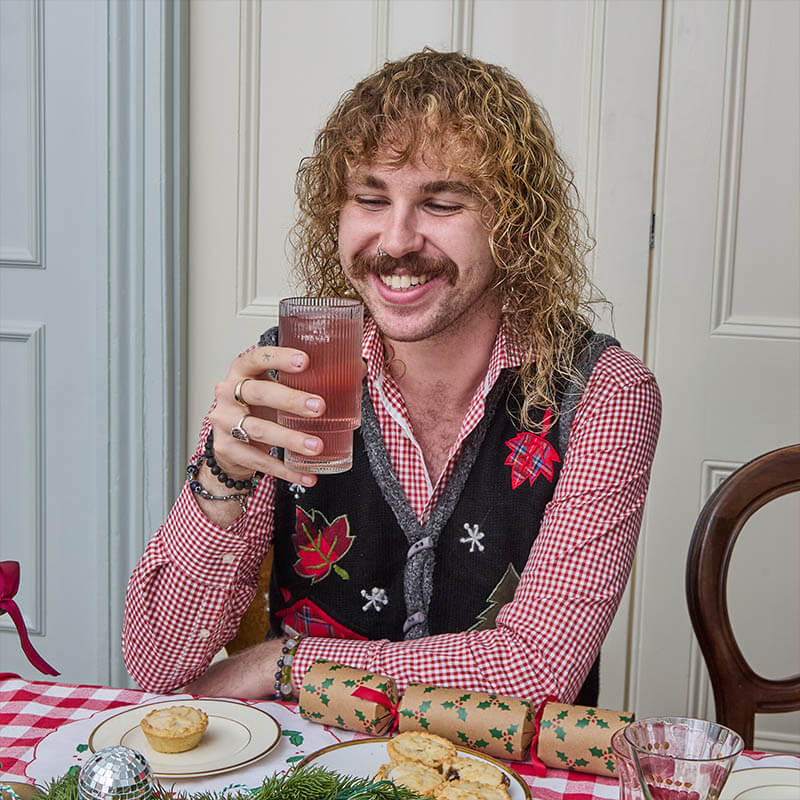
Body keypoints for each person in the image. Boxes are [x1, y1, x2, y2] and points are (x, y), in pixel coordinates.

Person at [122, 49, 661, 710]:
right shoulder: (294, 369)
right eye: (370, 199)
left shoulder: (605, 393)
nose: (397, 240)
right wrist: (220, 481)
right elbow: (154, 660)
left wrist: (285, 663)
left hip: (498, 775)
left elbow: (535, 670)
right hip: (309, 769)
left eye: (441, 203)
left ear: (514, 228)